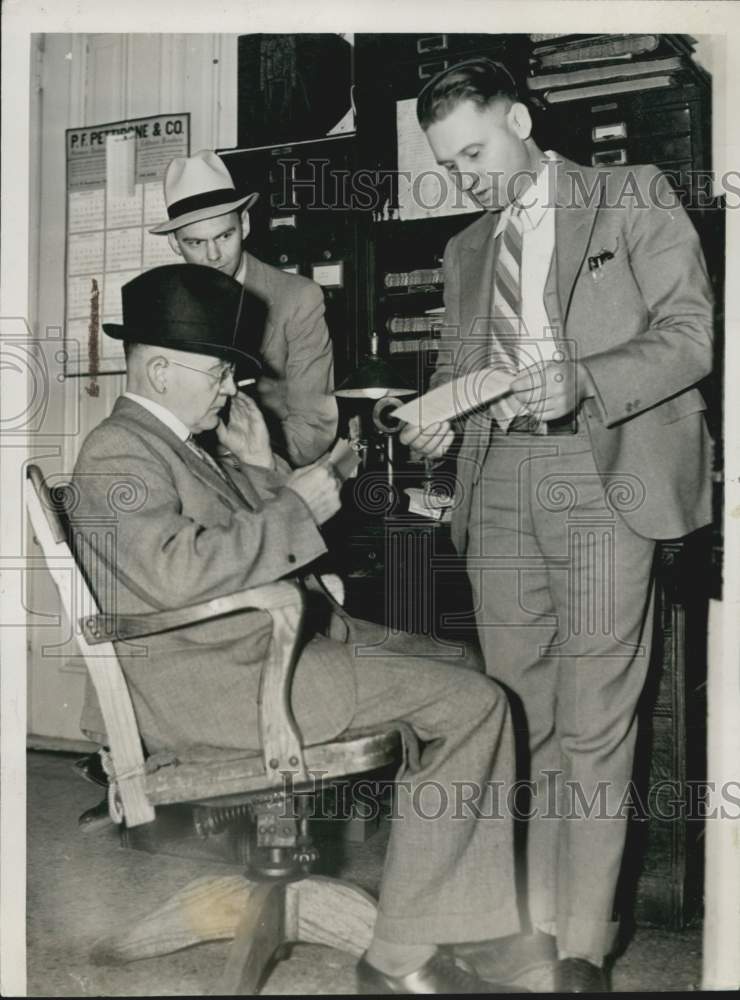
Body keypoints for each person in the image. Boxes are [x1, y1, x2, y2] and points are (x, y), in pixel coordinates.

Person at [71, 263, 524, 994]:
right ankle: (405, 952)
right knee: (477, 706)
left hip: (250, 654)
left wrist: (260, 465)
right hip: (224, 683)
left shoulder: (176, 444)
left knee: (463, 663)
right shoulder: (118, 451)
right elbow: (179, 574)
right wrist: (296, 509)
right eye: (219, 373)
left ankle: (440, 906)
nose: (231, 390)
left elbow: (239, 536)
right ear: (157, 369)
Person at [399, 57, 714, 993]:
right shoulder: (464, 252)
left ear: (523, 120)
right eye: (451, 166)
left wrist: (584, 376)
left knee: (595, 720)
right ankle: (523, 927)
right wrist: (434, 426)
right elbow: (465, 377)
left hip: (595, 462)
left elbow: (695, 334)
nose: (468, 178)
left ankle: (580, 946)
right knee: (516, 717)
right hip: (498, 479)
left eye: (476, 152)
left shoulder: (631, 195)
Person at [149, 148, 338, 468]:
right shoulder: (163, 309)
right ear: (174, 244)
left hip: (275, 475)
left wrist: (244, 468)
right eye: (195, 243)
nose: (213, 256)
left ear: (245, 225)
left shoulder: (299, 299)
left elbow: (314, 426)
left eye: (224, 236)